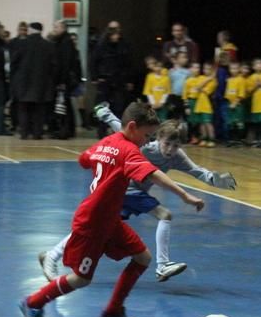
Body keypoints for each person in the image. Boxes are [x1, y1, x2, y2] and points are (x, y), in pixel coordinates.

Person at [19, 103, 205, 317]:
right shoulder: (129, 151)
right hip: (94, 222)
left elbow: (84, 160)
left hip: (109, 219)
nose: (147, 142)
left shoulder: (107, 142)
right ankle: (33, 303)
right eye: (146, 136)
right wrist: (185, 195)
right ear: (132, 127)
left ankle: (113, 311)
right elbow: (154, 175)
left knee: (143, 257)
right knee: (81, 279)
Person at [39, 107, 236, 284]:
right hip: (126, 190)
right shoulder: (144, 146)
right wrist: (106, 114)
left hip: (130, 195)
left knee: (95, 227)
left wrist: (217, 180)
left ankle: (52, 254)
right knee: (165, 214)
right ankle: (162, 265)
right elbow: (122, 129)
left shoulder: (177, 156)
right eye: (167, 143)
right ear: (158, 138)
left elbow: (197, 170)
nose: (170, 149)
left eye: (176, 146)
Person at [10, 22, 56, 140]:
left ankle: (24, 133)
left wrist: (14, 78)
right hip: (41, 83)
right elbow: (53, 66)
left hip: (23, 82)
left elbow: (14, 62)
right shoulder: (48, 45)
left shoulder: (21, 44)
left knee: (23, 108)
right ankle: (37, 133)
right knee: (39, 110)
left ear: (30, 30)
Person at [90, 27, 133, 138]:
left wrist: (128, 80)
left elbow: (127, 64)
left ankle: (116, 131)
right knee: (102, 107)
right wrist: (95, 77)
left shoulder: (122, 47)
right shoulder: (101, 47)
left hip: (118, 81)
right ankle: (102, 131)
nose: (116, 37)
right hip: (105, 80)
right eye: (114, 34)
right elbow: (94, 62)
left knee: (118, 107)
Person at [51, 20, 80, 139]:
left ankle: (65, 130)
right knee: (65, 104)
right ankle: (68, 129)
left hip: (64, 80)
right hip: (64, 79)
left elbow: (65, 63)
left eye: (56, 27)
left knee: (63, 106)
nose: (54, 29)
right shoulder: (63, 41)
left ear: (63, 28)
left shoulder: (65, 42)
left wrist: (61, 81)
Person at [184, 62, 217, 147]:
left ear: (212, 71)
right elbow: (197, 86)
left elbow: (201, 88)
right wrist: (208, 79)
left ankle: (211, 139)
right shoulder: (202, 78)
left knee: (208, 123)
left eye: (209, 69)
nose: (206, 71)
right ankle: (204, 138)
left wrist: (210, 79)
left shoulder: (214, 81)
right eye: (205, 69)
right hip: (199, 105)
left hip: (207, 105)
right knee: (201, 124)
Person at [224, 61, 247, 146]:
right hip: (230, 104)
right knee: (231, 123)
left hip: (238, 105)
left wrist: (235, 103)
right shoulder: (229, 80)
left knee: (239, 123)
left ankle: (239, 140)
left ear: (239, 69)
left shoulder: (241, 80)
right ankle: (232, 140)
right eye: (232, 68)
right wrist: (230, 103)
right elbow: (227, 93)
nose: (234, 70)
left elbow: (241, 94)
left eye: (236, 68)